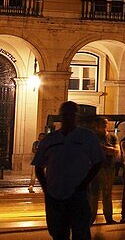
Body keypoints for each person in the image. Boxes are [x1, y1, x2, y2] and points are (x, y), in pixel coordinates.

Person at [32, 101, 104, 240]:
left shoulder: (87, 137)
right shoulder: (50, 140)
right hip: (55, 195)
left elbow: (98, 162)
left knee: (80, 232)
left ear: (76, 117)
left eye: (71, 114)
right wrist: (46, 189)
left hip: (78, 194)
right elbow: (38, 166)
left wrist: (84, 184)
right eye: (66, 114)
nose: (68, 118)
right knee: (58, 233)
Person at [88, 116, 118, 225]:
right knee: (94, 193)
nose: (105, 126)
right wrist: (108, 149)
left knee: (107, 193)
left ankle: (108, 217)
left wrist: (105, 149)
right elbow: (94, 151)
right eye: (103, 124)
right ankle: (91, 217)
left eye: (106, 124)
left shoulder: (112, 137)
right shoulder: (93, 137)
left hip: (108, 167)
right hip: (95, 168)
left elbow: (116, 151)